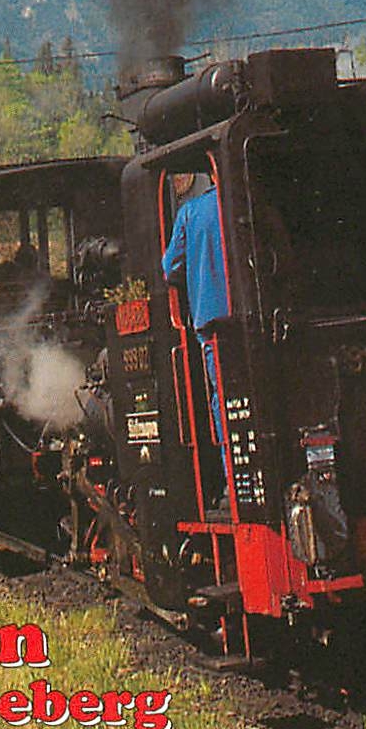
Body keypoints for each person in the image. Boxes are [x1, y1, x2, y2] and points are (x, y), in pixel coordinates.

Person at [161, 174, 230, 496]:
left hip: (214, 320)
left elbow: (171, 266)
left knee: (225, 399)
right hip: (260, 318)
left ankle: (233, 481)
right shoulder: (258, 200)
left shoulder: (192, 212)